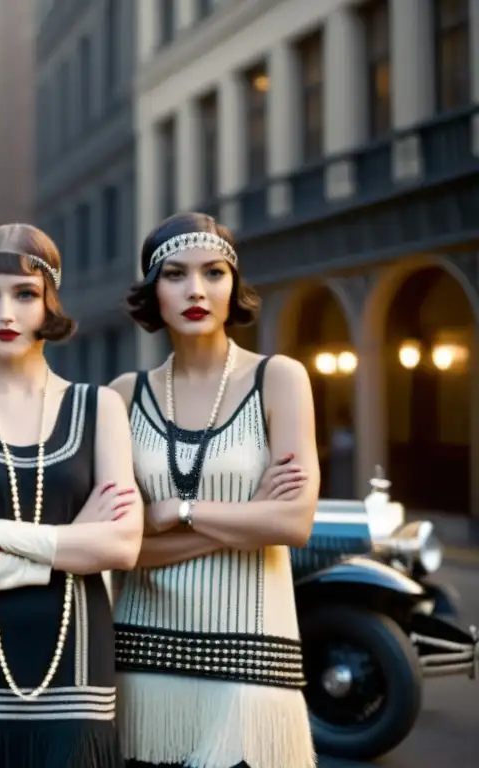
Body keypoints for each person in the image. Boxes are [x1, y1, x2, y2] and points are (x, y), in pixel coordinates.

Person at [0, 223, 143, 768]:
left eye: (25, 294)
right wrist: (71, 544)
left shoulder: (100, 407)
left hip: (77, 667)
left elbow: (123, 546)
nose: (5, 314)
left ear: (49, 304)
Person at [109, 212, 318, 768]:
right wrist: (249, 519)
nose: (196, 289)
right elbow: (123, 545)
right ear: (154, 292)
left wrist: (175, 509)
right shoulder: (124, 396)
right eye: (175, 274)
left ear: (234, 285)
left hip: (253, 661)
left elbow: (293, 524)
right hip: (142, 660)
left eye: (214, 273)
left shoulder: (279, 378)